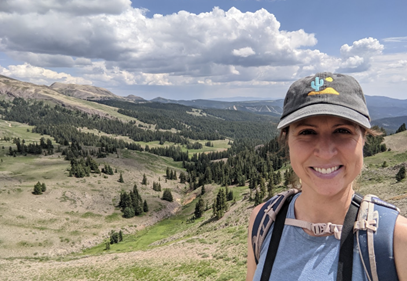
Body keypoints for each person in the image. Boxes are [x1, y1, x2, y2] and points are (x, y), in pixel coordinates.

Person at [246, 72, 407, 280]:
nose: (325, 151)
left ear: (364, 138)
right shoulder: (263, 221)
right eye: (307, 132)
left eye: (342, 130)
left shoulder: (397, 239)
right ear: (287, 142)